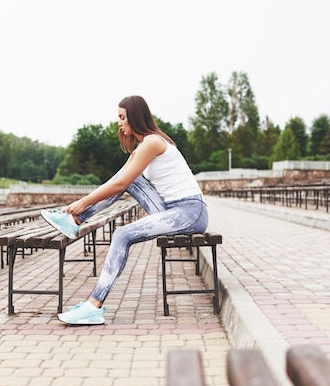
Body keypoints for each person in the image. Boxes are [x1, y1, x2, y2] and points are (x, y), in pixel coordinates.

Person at [40, 95, 208, 325]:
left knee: (122, 234)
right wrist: (84, 202)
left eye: (122, 117)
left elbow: (118, 184)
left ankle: (94, 305)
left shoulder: (153, 142)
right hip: (168, 209)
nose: (119, 123)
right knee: (130, 179)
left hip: (190, 212)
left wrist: (83, 202)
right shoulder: (143, 146)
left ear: (135, 117)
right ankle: (75, 220)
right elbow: (118, 181)